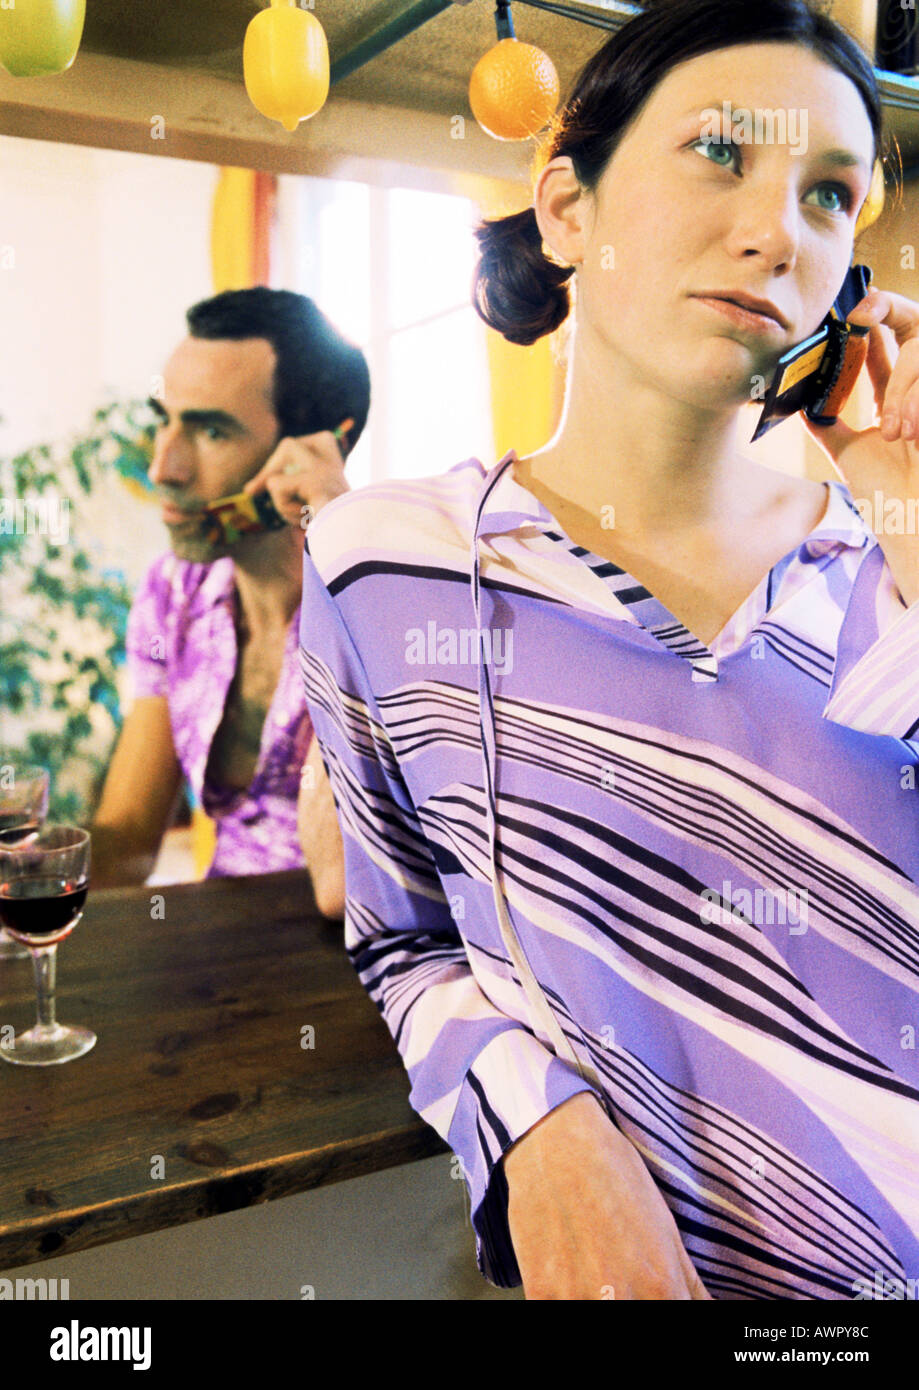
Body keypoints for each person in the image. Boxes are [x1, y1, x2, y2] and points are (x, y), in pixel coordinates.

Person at [298, 0, 919, 1299]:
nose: (773, 230)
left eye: (826, 196)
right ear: (566, 211)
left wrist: (896, 496)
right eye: (718, 154)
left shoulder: (886, 561)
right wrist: (535, 1122)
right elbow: (403, 938)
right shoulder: (382, 562)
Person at [91, 288, 362, 913]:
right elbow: (129, 839)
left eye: (211, 430)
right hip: (218, 951)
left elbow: (356, 880)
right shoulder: (172, 593)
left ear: (319, 447)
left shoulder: (381, 601)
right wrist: (21, 856)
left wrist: (348, 540)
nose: (164, 468)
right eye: (165, 421)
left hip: (361, 963)